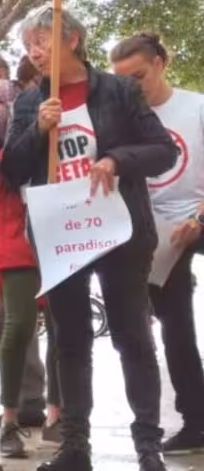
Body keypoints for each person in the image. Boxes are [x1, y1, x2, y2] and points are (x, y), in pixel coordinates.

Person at [2, 9, 175, 471]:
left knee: (132, 336)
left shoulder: (118, 91)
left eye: (42, 42)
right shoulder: (29, 102)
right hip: (61, 234)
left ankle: (148, 446)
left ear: (72, 39)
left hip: (119, 230)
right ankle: (74, 445)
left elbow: (163, 150)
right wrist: (38, 130)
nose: (35, 53)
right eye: (28, 46)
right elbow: (12, 171)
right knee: (70, 340)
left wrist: (116, 160)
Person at [110, 32, 204, 456]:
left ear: (161, 64)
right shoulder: (124, 119)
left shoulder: (196, 108)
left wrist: (199, 219)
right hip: (155, 234)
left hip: (197, 216)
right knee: (174, 328)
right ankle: (196, 420)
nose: (133, 86)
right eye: (123, 80)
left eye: (139, 76)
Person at [0, 51, 57, 458]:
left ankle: (56, 415)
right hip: (11, 226)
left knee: (61, 327)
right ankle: (11, 417)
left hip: (58, 225)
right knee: (16, 325)